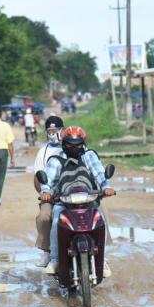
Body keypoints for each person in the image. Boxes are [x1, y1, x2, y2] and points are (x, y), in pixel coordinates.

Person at [39, 126, 115, 277]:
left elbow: (100, 174)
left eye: (78, 144)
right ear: (63, 143)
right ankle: (55, 259)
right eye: (69, 144)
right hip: (64, 203)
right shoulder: (56, 160)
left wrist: (106, 187)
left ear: (83, 143)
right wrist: (46, 192)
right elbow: (48, 181)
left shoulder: (90, 156)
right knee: (55, 221)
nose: (74, 147)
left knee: (101, 220)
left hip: (90, 201)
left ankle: (102, 259)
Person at [33, 115, 65, 267]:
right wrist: (44, 194)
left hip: (75, 192)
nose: (52, 133)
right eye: (49, 131)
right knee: (45, 217)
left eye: (55, 130)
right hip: (52, 195)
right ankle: (47, 252)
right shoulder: (43, 152)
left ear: (62, 130)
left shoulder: (74, 145)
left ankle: (101, 254)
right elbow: (38, 178)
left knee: (98, 212)